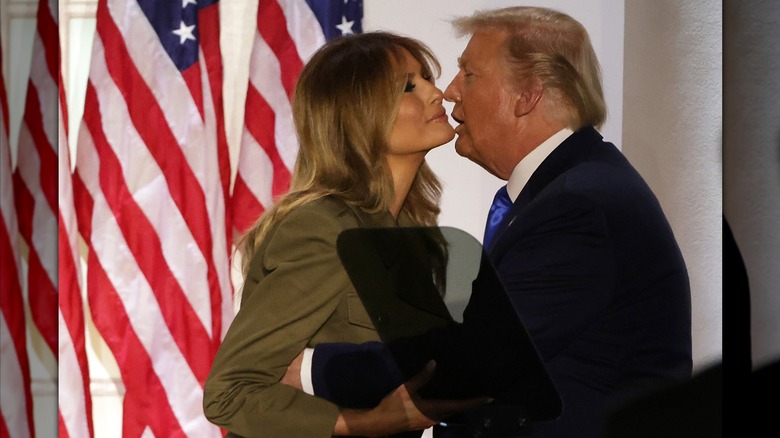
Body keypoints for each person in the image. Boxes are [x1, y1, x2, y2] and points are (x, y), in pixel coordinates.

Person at [295, 6, 693, 438]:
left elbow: (472, 362)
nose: (449, 92)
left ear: (527, 95)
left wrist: (307, 369)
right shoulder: (565, 191)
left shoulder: (578, 206)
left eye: (469, 74)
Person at [202, 32, 485, 437]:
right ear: (357, 116)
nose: (436, 93)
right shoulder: (322, 227)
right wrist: (369, 423)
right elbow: (229, 392)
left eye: (426, 78)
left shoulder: (413, 235)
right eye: (408, 86)